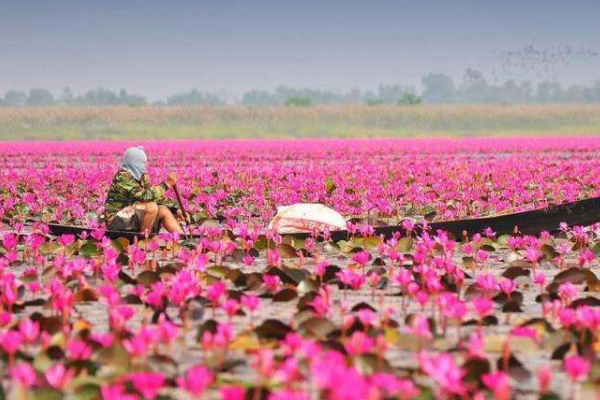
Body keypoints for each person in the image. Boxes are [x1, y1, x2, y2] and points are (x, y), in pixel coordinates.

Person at [104, 147, 184, 234]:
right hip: (116, 220)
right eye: (141, 163)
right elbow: (144, 196)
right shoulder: (122, 177)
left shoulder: (142, 176)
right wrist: (166, 185)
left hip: (131, 214)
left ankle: (182, 238)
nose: (144, 165)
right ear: (133, 162)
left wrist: (176, 209)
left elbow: (154, 198)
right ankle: (143, 239)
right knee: (152, 207)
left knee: (163, 210)